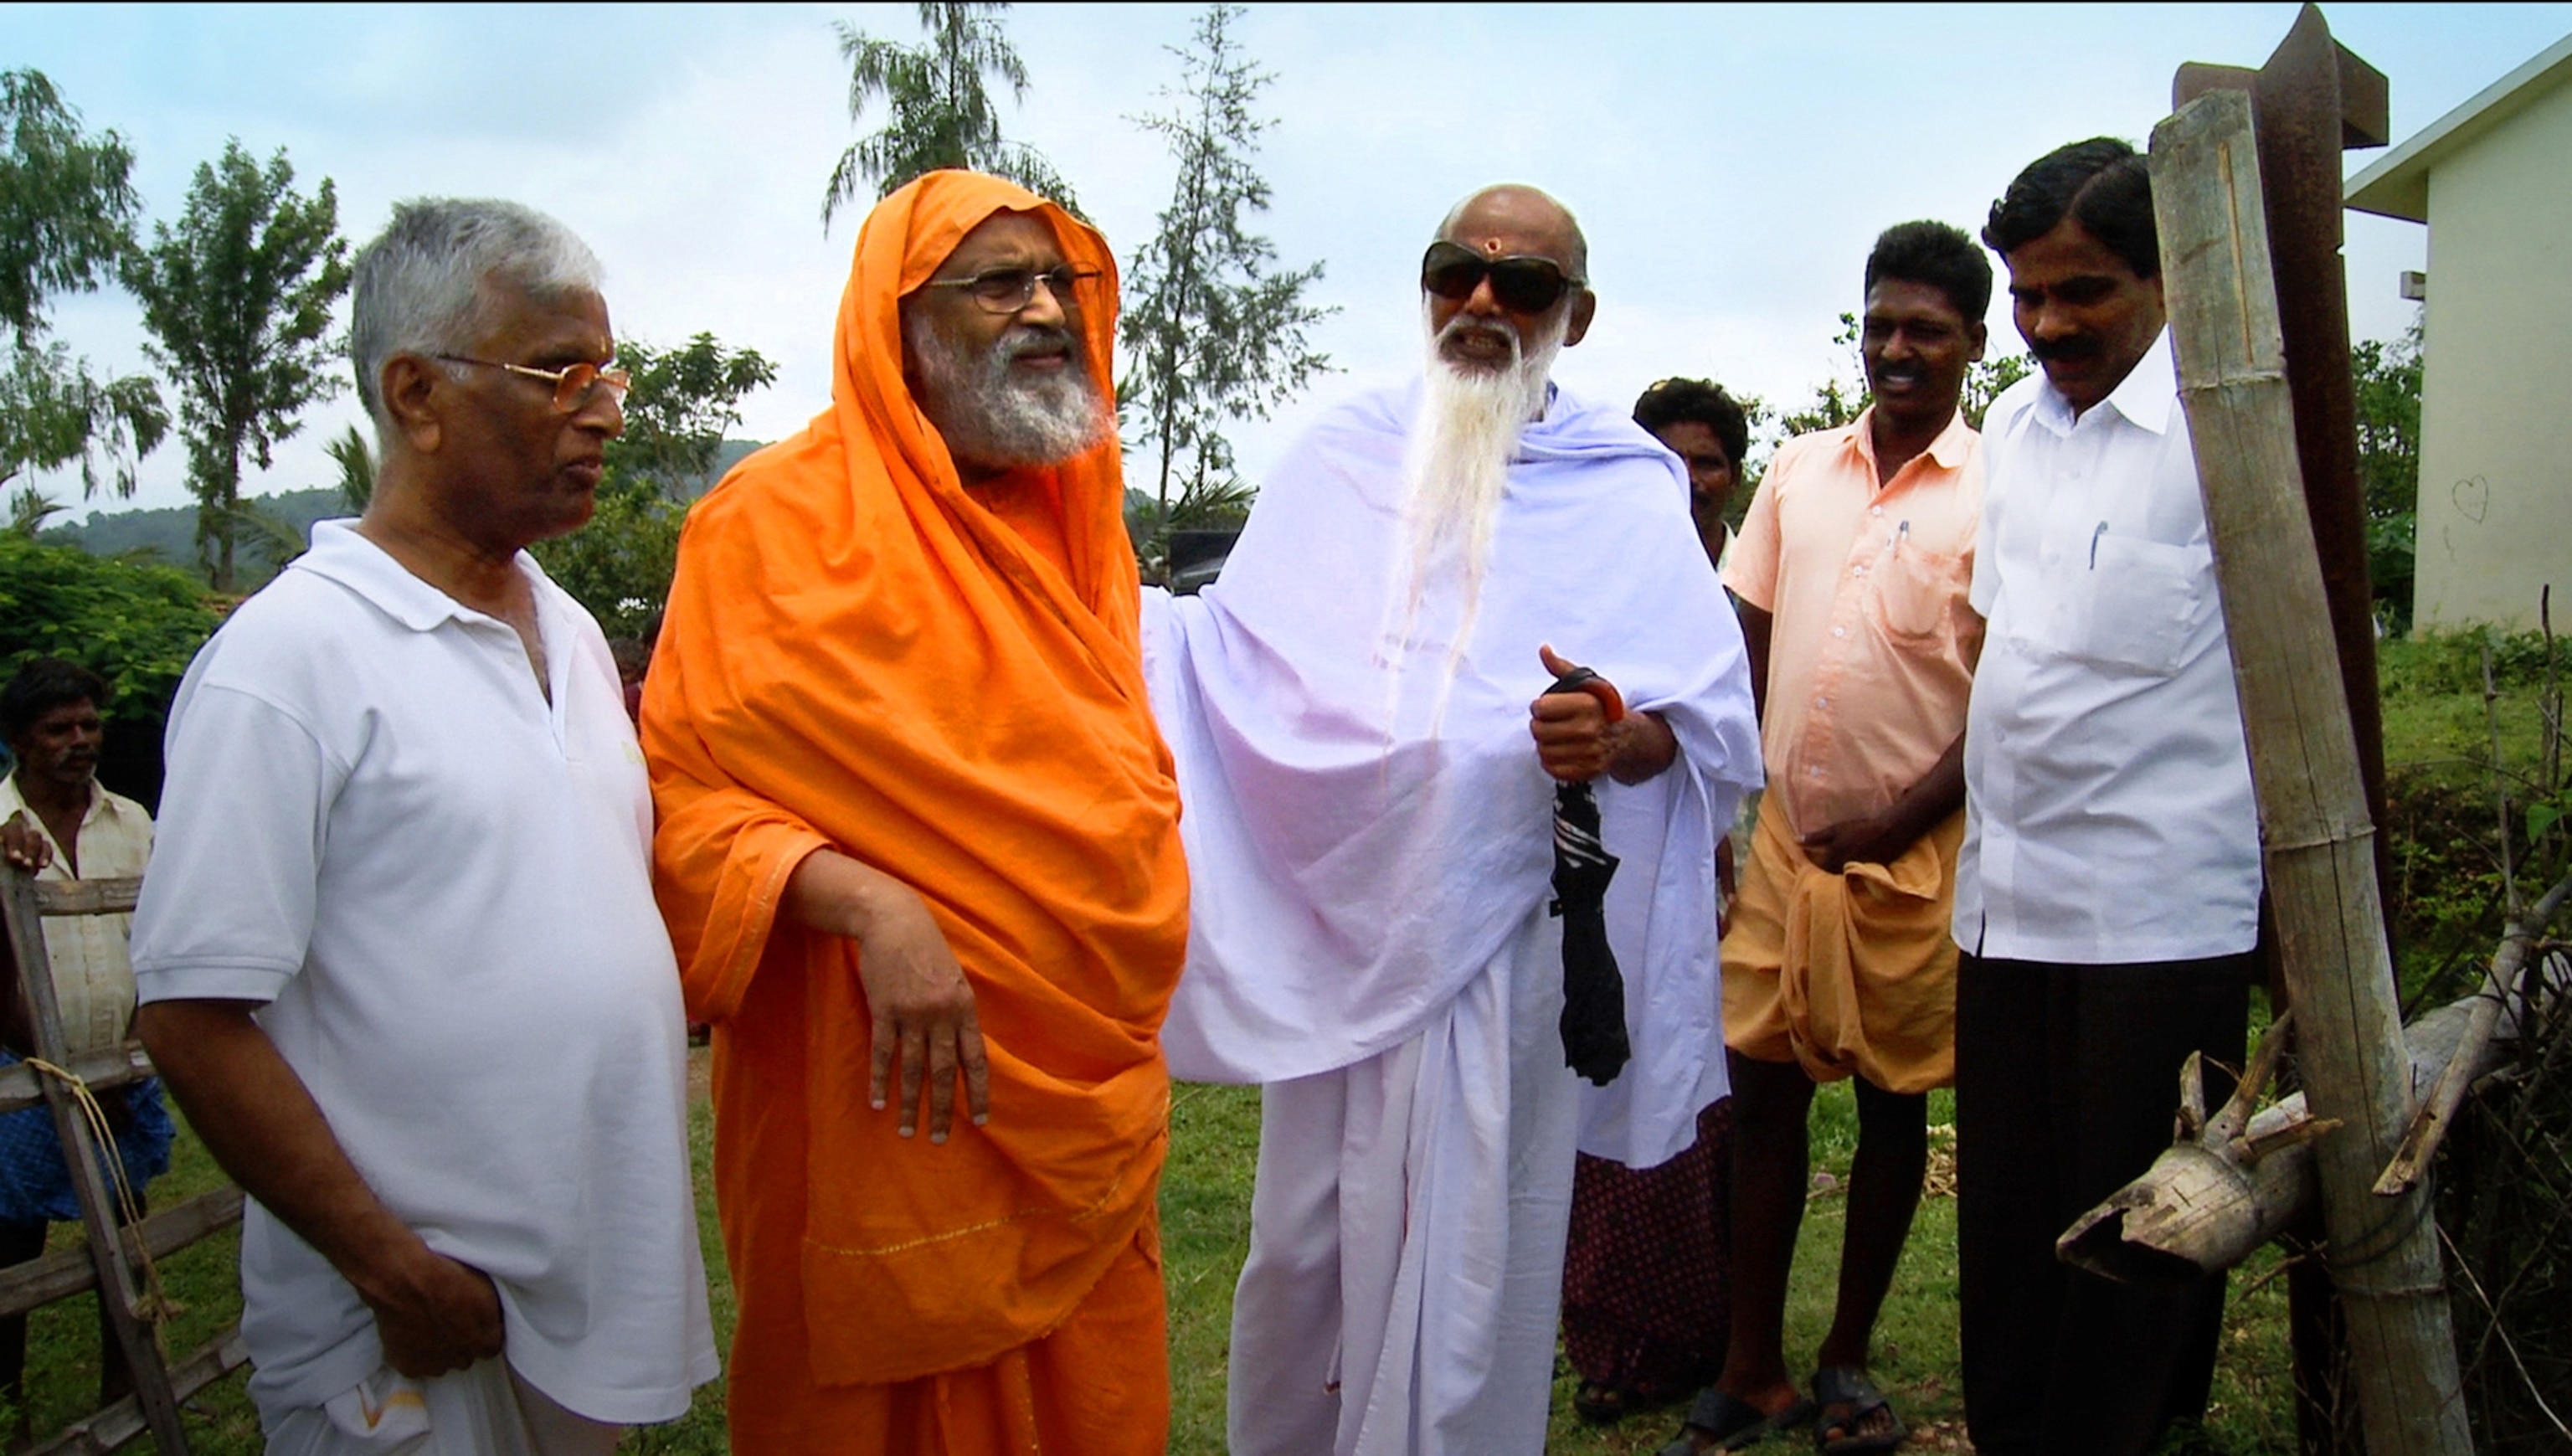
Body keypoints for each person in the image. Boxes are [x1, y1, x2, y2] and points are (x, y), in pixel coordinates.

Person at [1143, 183, 1762, 1456]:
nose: (1483, 302)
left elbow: (1694, 731)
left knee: (1478, 1243)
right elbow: (1234, 664)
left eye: (1523, 285)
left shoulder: (1627, 487)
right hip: (1340, 929)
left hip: (1509, 946)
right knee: (1304, 1241)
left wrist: (1614, 729)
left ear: (1573, 318)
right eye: (1454, 273)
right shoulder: (1341, 456)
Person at [127, 198, 718, 1453]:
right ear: (415, 393)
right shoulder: (285, 663)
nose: (607, 408)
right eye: (560, 370)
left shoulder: (562, 630)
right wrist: (388, 1265)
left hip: (576, 1303)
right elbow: (189, 1014)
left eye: (607, 371)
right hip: (404, 1328)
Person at [642, 170, 1186, 1456]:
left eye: (1060, 282)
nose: (1046, 308)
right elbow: (682, 805)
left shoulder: (1078, 518)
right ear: (898, 325)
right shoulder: (768, 527)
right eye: (999, 283)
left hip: (1082, 1078)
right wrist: (868, 899)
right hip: (871, 1080)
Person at [1662, 221, 1991, 1456]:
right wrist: (1743, 802)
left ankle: (1846, 1351)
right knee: (1763, 1102)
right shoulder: (1799, 472)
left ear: (1973, 342)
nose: (1897, 349)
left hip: (1914, 860)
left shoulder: (1995, 486)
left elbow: (2000, 693)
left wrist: (1898, 818)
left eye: (1927, 329)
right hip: (1785, 855)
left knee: (1898, 1110)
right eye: (1881, 324)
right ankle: (1753, 1367)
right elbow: (1741, 647)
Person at [1953, 138, 2261, 1456]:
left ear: (2164, 278)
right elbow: (1996, 644)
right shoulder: (2012, 431)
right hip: (2006, 913)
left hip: (2159, 922)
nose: (2047, 324)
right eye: (2025, 296)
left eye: (2081, 291)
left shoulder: (2230, 426)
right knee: (2011, 1227)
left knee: (2140, 1237)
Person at [1554, 375, 1757, 1427]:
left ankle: (1675, 1327)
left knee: (1667, 1082)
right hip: (1577, 870)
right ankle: (1597, 1325)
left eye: (1707, 464)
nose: (1685, 485)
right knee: (1594, 1086)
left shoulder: (1726, 599)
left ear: (1731, 477)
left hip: (1681, 865)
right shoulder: (1591, 575)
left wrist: (1648, 740)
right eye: (1663, 464)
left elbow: (1731, 739)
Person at [0, 659, 174, 1433]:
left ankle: (126, 1383)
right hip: (24, 1070)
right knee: (12, 1244)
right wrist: (56, 1062)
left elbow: (162, 938)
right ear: (19, 742)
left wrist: (129, 1050)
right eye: (58, 729)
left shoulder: (133, 823)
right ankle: (9, 1400)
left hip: (121, 1069)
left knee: (126, 1229)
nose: (79, 741)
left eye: (89, 724)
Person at [1633, 377, 1752, 571]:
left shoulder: (1766, 590)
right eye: (1672, 463)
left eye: (1706, 464)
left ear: (1735, 477)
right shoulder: (1609, 577)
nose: (1688, 479)